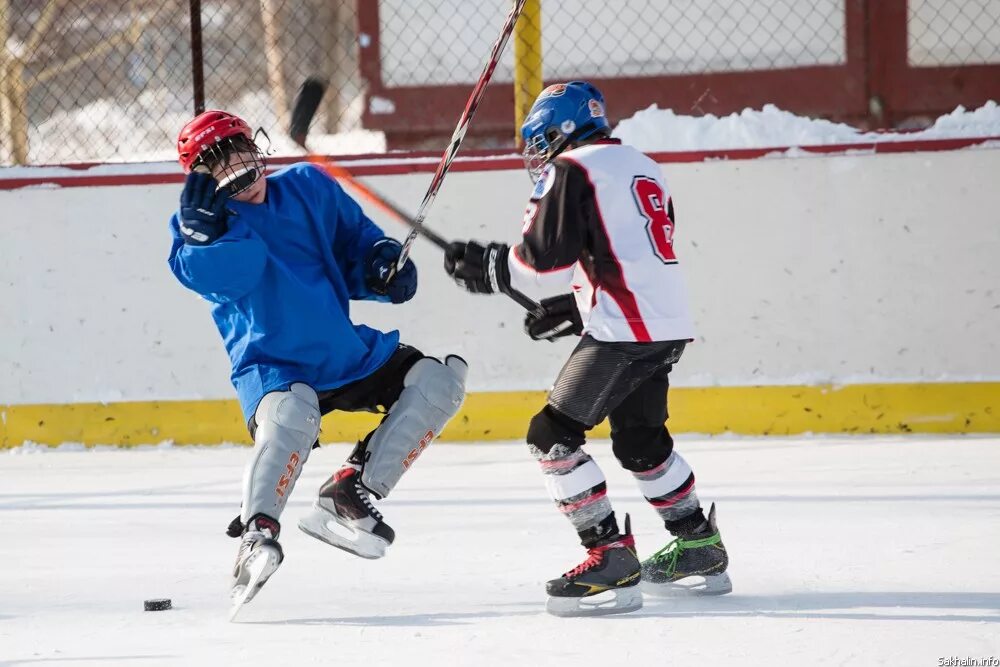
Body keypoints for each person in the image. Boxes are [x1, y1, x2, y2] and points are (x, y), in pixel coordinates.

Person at [443, 82, 730, 617]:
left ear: (563, 130)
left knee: (551, 435)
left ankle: (609, 556)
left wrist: (489, 266)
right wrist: (575, 307)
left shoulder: (572, 168)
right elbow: (629, 252)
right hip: (664, 325)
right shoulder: (642, 165)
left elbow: (543, 251)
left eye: (540, 140)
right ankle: (697, 544)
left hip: (623, 333)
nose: (537, 154)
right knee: (641, 441)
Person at [167, 110, 467, 616]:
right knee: (290, 419)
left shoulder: (308, 186)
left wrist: (380, 266)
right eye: (219, 162)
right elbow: (229, 280)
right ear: (204, 178)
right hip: (273, 365)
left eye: (239, 149)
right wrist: (210, 237)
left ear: (255, 147)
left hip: (343, 351)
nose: (238, 166)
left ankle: (350, 491)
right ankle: (256, 535)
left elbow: (358, 248)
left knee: (438, 383)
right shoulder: (198, 229)